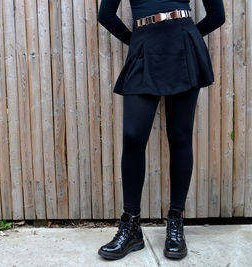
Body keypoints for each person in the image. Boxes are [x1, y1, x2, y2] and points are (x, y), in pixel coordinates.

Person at [96, 0, 225, 261]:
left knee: (179, 137)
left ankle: (175, 221)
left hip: (184, 47)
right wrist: (138, 41)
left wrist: (187, 38)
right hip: (144, 48)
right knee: (132, 137)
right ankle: (131, 226)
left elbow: (217, 15)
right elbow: (106, 15)